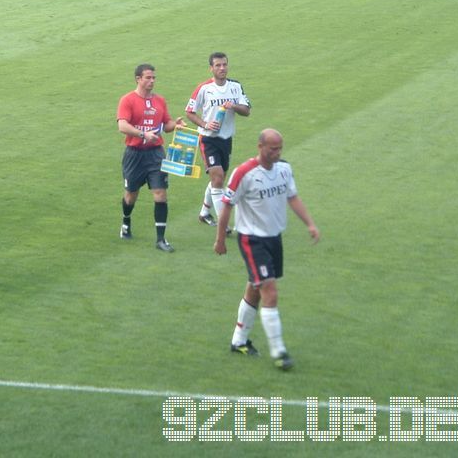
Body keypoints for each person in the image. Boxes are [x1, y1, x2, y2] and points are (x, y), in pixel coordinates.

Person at [214, 129, 320, 370]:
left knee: (255, 286)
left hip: (274, 238)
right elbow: (227, 207)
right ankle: (279, 351)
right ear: (260, 146)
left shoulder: (284, 169)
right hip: (252, 240)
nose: (277, 152)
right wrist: (220, 239)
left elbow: (292, 197)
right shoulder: (244, 173)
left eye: (280, 148)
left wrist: (310, 224)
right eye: (273, 148)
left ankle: (239, 340)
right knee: (270, 291)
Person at [117, 64, 185, 253]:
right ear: (138, 79)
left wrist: (175, 125)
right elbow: (122, 126)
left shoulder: (160, 101)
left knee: (160, 193)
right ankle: (126, 221)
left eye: (154, 78)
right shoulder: (128, 100)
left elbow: (166, 124)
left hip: (156, 154)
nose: (152, 81)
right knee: (131, 195)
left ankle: (161, 239)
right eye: (148, 77)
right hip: (134, 155)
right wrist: (142, 134)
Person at [185, 52, 250, 231]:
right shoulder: (204, 88)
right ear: (211, 68)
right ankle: (224, 224)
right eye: (218, 66)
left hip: (226, 139)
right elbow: (189, 112)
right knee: (218, 177)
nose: (222, 68)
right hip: (208, 139)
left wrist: (234, 106)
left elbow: (246, 111)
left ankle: (204, 212)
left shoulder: (235, 87)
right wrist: (205, 124)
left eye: (224, 65)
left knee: (218, 179)